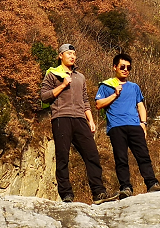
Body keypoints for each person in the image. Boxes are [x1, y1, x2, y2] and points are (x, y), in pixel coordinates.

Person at [40, 44, 117, 204]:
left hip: (80, 119)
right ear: (60, 55)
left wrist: (90, 119)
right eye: (69, 53)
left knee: (92, 154)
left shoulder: (80, 77)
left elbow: (85, 100)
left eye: (74, 53)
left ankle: (99, 193)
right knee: (63, 157)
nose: (72, 56)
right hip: (61, 118)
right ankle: (66, 195)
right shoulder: (52, 74)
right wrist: (62, 85)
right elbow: (44, 97)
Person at [95, 53, 160, 199]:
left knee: (143, 156)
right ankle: (125, 187)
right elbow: (98, 104)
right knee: (121, 159)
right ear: (115, 67)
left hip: (134, 126)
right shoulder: (106, 85)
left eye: (129, 67)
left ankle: (151, 183)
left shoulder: (134, 87)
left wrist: (144, 124)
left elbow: (140, 105)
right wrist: (115, 94)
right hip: (116, 127)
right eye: (122, 67)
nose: (126, 70)